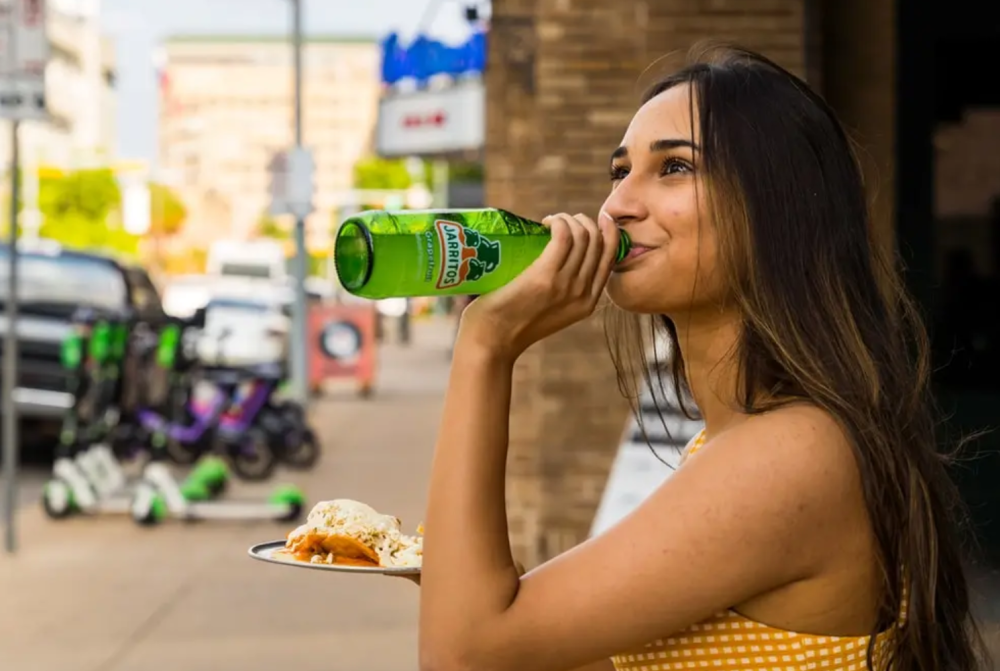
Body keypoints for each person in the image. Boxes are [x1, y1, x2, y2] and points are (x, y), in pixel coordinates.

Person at [411, 43, 987, 671]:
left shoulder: (790, 451)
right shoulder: (736, 442)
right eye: (619, 171)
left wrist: (485, 346)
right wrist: (463, 576)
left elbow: (463, 656)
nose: (617, 206)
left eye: (675, 168)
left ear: (777, 206)